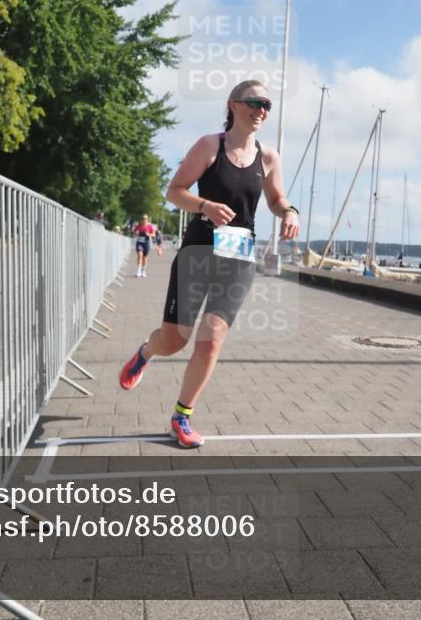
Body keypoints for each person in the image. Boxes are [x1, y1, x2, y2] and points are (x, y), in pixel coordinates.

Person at [119, 80, 300, 447]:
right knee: (174, 341)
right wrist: (204, 206)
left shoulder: (269, 157)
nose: (262, 110)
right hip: (198, 251)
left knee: (211, 339)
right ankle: (146, 352)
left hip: (237, 256)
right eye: (254, 102)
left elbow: (276, 197)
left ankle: (181, 416)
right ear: (233, 104)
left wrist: (289, 212)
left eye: (267, 104)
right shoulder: (209, 146)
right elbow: (175, 191)